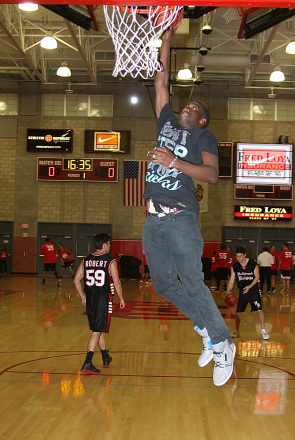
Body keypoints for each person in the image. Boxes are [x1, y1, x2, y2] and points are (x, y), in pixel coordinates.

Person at [142, 26, 235, 387]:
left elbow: (211, 175)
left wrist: (173, 163)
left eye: (196, 108)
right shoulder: (166, 122)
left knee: (193, 282)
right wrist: (165, 39)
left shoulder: (203, 136)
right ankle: (207, 331)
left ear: (202, 121)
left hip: (180, 217)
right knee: (164, 284)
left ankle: (224, 344)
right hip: (153, 219)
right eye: (189, 104)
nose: (189, 106)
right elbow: (161, 81)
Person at [74, 233, 125, 374]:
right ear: (103, 245)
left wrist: (82, 296)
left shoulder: (86, 260)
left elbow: (76, 280)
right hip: (103, 298)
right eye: (108, 244)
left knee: (98, 328)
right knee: (97, 330)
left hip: (90, 297)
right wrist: (121, 298)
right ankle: (87, 362)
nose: (109, 246)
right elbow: (117, 282)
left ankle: (105, 357)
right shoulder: (110, 261)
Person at [226, 247, 269, 340]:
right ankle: (237, 330)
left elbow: (257, 277)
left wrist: (249, 287)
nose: (239, 258)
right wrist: (228, 291)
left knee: (259, 310)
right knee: (238, 312)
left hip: (253, 291)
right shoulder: (235, 266)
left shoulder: (253, 264)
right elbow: (232, 280)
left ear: (245, 255)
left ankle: (263, 330)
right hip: (242, 291)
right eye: (237, 256)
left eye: (240, 256)